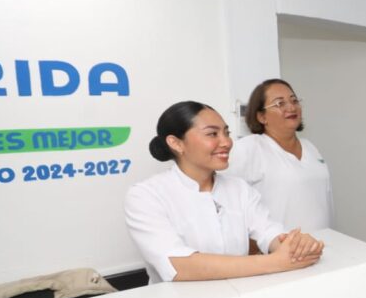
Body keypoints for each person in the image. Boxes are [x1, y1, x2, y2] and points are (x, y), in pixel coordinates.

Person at [125, 101, 324, 283]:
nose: (227, 142)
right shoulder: (145, 195)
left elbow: (269, 231)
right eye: (212, 134)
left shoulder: (239, 189)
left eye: (226, 133)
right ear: (176, 143)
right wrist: (276, 262)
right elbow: (178, 266)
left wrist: (295, 245)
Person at [227, 79, 334, 230]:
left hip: (324, 241)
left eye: (294, 101)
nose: (291, 107)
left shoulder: (310, 147)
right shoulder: (250, 148)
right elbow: (227, 201)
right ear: (262, 117)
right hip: (277, 243)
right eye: (279, 103)